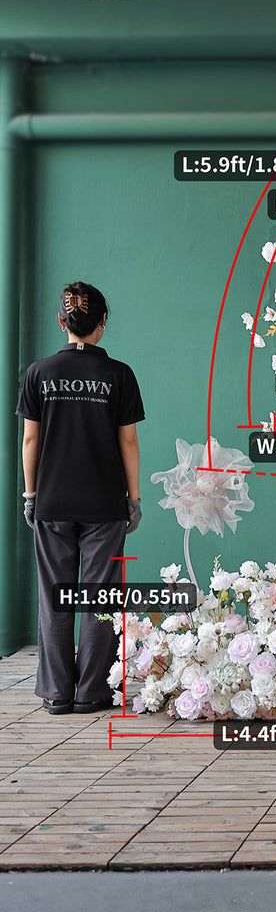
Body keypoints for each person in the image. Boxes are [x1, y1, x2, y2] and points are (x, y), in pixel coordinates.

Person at [16, 282, 145, 714]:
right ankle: (93, 691)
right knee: (100, 598)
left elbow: (30, 439)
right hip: (105, 503)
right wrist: (134, 498)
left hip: (52, 502)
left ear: (61, 321)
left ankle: (56, 693)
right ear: (102, 323)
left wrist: (31, 494)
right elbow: (128, 442)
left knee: (54, 596)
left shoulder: (39, 372)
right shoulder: (119, 375)